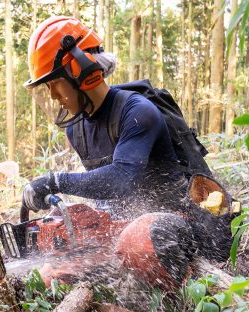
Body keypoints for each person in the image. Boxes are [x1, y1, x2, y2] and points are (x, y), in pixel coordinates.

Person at [22, 16, 188, 219]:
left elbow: (122, 179)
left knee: (142, 237)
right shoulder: (76, 129)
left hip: (173, 223)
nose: (53, 96)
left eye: (55, 84)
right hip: (125, 226)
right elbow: (106, 197)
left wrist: (56, 182)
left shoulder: (138, 112)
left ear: (81, 70)